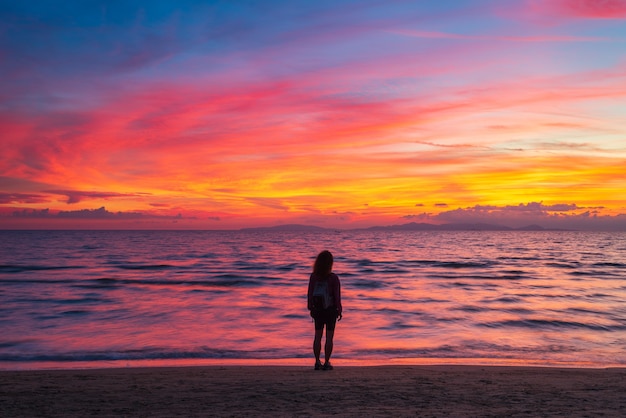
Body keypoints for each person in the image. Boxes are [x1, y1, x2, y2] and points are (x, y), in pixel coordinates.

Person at [307, 250, 342, 370]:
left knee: (317, 336)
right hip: (330, 310)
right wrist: (339, 310)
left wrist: (310, 307)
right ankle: (327, 362)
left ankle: (317, 362)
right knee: (329, 337)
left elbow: (310, 293)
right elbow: (337, 296)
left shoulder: (313, 277)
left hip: (317, 309)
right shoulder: (333, 278)